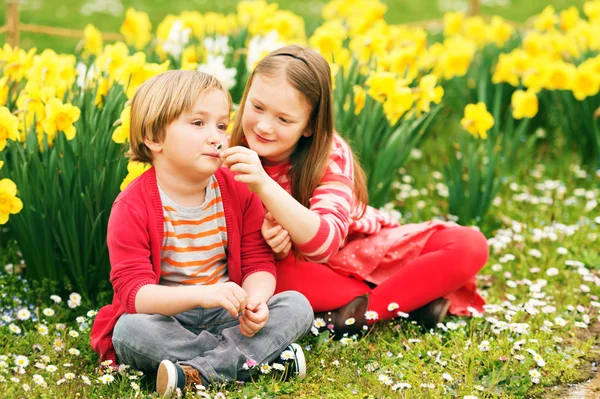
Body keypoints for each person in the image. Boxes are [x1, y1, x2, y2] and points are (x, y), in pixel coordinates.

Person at [221, 45, 489, 337]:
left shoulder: (329, 153)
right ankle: (406, 302)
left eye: (284, 119)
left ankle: (357, 314)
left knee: (468, 244)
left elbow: (324, 244)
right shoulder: (225, 149)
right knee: (257, 271)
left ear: (310, 126)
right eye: (257, 107)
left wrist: (264, 185)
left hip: (358, 249)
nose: (263, 126)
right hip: (297, 270)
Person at [89, 70, 313, 398]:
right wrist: (202, 294)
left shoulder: (238, 190)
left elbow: (258, 263)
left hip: (229, 314)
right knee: (128, 332)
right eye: (198, 124)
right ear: (154, 138)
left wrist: (255, 302)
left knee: (297, 305)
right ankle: (260, 360)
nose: (217, 137)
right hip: (167, 319)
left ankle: (200, 373)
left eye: (222, 125)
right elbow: (135, 295)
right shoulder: (132, 206)